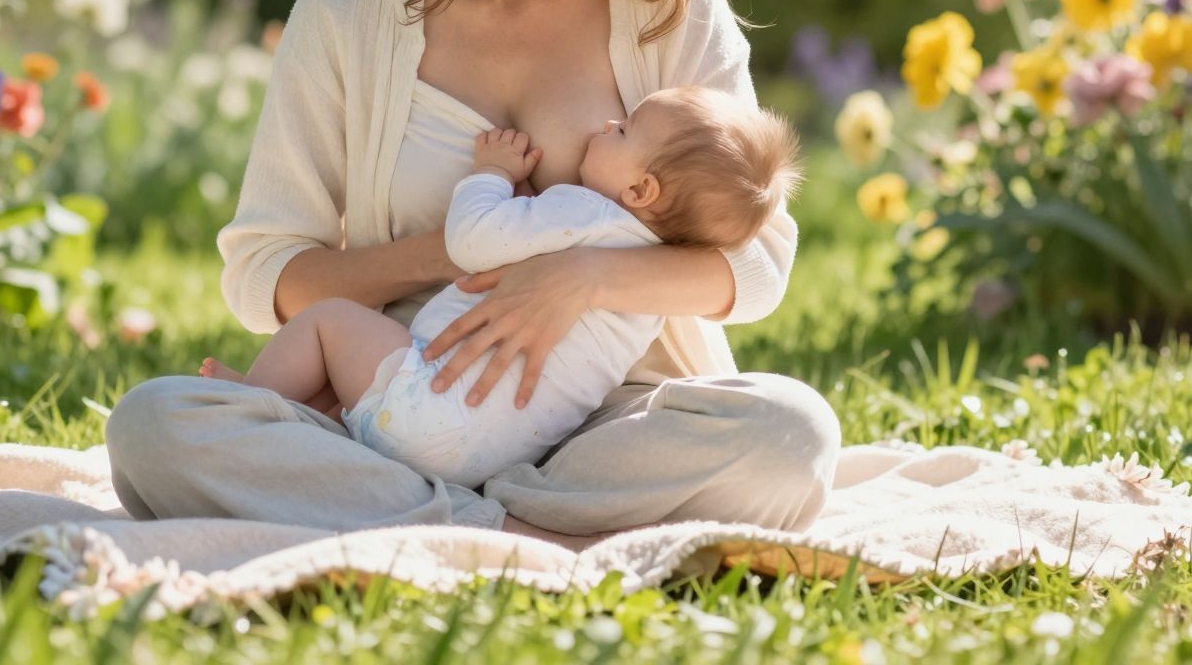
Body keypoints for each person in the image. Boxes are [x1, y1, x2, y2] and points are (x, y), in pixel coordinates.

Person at [104, 0, 842, 549]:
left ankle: (442, 525)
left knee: (792, 434)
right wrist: (461, 256)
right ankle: (526, 536)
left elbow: (757, 264)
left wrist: (580, 278)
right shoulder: (351, 6)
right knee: (152, 427)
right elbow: (267, 274)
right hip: (398, 406)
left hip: (610, 422)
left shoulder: (671, 6)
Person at [194, 85, 802, 491]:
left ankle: (250, 408)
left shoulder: (582, 211)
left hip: (425, 398)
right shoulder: (653, 293)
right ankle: (484, 515)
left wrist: (491, 174)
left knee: (328, 324)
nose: (609, 123)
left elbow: (472, 241)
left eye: (624, 130)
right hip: (497, 459)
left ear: (640, 191)